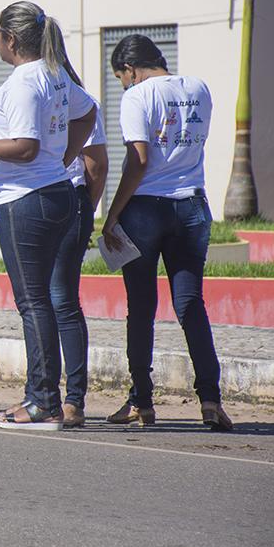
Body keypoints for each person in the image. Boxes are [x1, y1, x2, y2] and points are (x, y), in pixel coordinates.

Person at [0, 1, 96, 429]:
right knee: (45, 300)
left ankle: (42, 401)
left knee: (34, 303)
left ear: (9, 38)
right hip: (55, 193)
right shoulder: (53, 73)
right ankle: (42, 396)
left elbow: (25, 147)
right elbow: (89, 113)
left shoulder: (25, 81)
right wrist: (63, 156)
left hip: (26, 199)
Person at [101, 34, 232, 431]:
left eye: (122, 77)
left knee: (141, 307)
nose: (124, 85)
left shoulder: (137, 97)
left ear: (131, 69)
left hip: (145, 208)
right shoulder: (199, 88)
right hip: (192, 205)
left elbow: (138, 160)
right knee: (191, 304)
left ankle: (141, 401)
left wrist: (113, 214)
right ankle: (211, 400)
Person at [50, 101, 108, 428]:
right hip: (71, 201)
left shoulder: (26, 92)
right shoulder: (78, 99)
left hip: (43, 202)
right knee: (61, 300)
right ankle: (70, 400)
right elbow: (97, 167)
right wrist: (88, 209)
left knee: (51, 301)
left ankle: (54, 397)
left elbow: (96, 165)